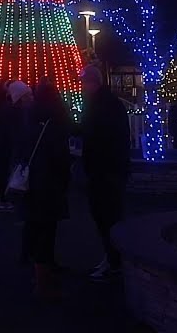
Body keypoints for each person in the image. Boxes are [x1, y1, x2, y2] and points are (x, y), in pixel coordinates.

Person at [15, 80, 71, 299]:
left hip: (33, 179)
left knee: (37, 226)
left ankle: (39, 270)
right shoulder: (55, 120)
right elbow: (60, 155)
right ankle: (43, 278)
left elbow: (20, 146)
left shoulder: (29, 117)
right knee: (47, 229)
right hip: (50, 181)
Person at [80, 65, 129, 281]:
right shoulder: (107, 104)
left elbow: (101, 136)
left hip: (105, 169)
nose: (82, 87)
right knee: (107, 217)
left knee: (107, 217)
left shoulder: (102, 106)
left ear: (93, 82)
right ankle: (111, 257)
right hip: (108, 168)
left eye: (84, 82)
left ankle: (114, 260)